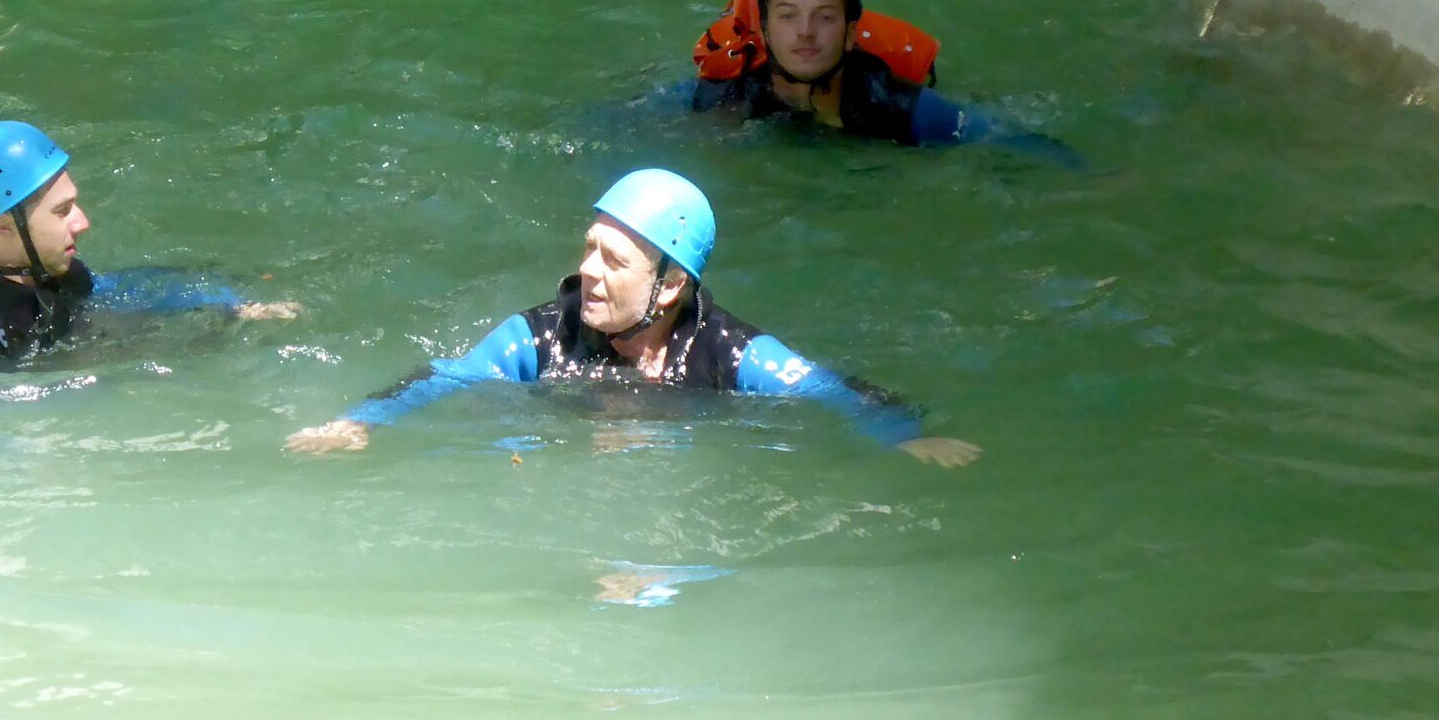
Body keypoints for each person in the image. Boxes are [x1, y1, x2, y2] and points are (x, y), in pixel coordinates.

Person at [286, 168, 977, 465]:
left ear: (672, 284)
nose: (587, 271)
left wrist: (903, 434)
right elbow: (445, 377)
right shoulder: (540, 338)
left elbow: (829, 389)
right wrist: (362, 421)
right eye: (589, 249)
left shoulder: (730, 355)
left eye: (614, 262)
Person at [0, 120, 297, 459]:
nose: (82, 222)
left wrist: (232, 306)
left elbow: (115, 290)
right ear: (6, 227)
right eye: (61, 210)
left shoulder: (49, 272)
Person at [688, 0, 1083, 160]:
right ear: (766, 30)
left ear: (849, 33)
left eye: (825, 17)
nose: (806, 32)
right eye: (788, 16)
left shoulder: (898, 106)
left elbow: (1012, 141)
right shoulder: (727, 96)